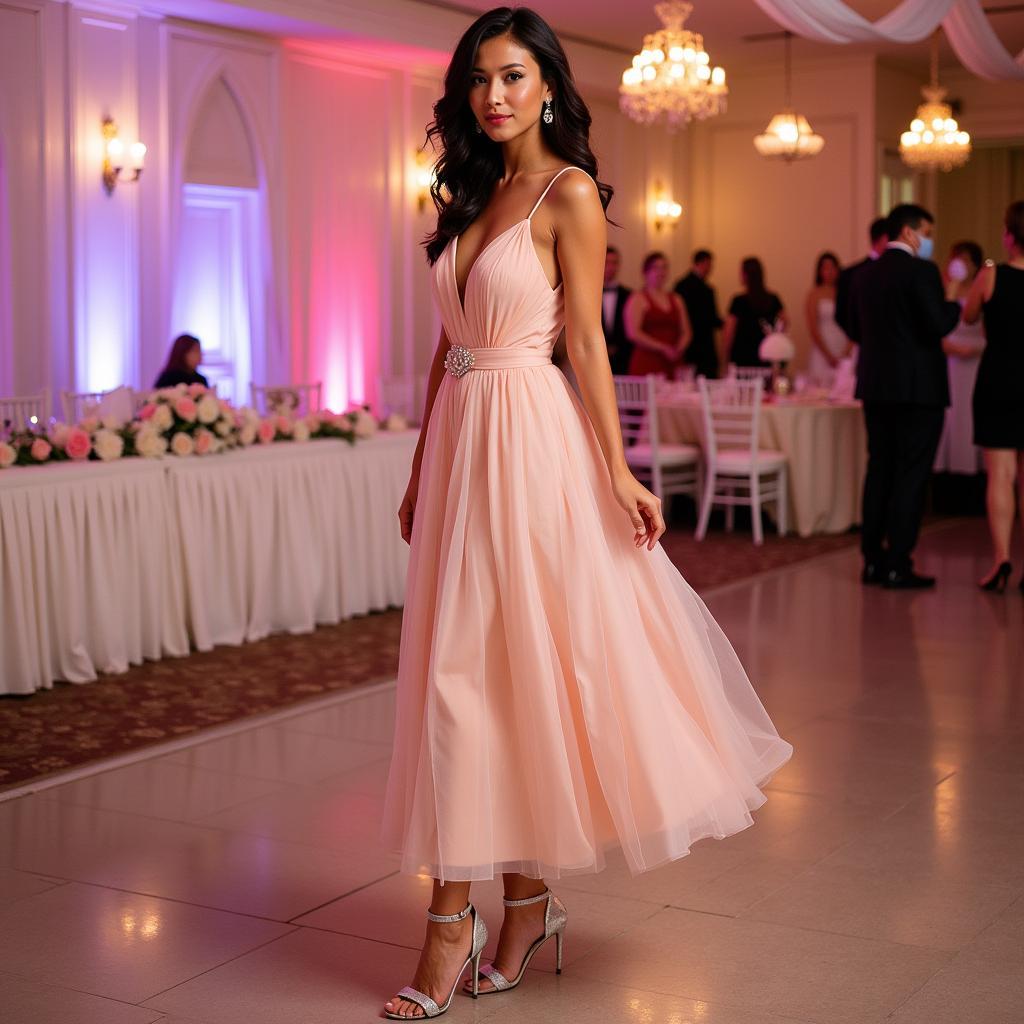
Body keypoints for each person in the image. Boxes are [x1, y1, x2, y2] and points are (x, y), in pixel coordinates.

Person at [381, 8, 793, 1019]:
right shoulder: (469, 189)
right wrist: (420, 462)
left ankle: (452, 922)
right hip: (463, 449)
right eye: (478, 79)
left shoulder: (565, 195)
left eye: (513, 76)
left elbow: (588, 348)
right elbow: (447, 348)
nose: (493, 96)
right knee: (467, 668)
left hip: (529, 444)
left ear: (549, 86)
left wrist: (616, 471)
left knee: (492, 672)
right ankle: (523, 903)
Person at [847, 203, 960, 589]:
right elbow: (938, 324)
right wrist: (954, 296)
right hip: (918, 391)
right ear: (911, 232)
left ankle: (872, 561)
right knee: (910, 475)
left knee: (879, 470)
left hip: (876, 386)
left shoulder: (864, 275)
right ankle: (899, 562)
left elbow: (857, 329)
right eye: (927, 231)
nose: (930, 239)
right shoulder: (922, 271)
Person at [962, 200, 1024, 593]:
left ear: (1009, 235)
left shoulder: (991, 276)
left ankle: (1002, 558)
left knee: (1000, 475)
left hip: (1000, 379)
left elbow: (967, 316)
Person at [934, 241, 985, 477]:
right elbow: (936, 328)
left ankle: (976, 470)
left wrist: (975, 350)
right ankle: (949, 472)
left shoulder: (983, 289)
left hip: (977, 361)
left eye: (966, 260)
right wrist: (950, 348)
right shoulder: (944, 290)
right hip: (950, 362)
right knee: (951, 416)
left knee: (975, 415)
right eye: (957, 259)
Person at [624, 251, 692, 379]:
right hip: (647, 360)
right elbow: (633, 333)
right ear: (645, 272)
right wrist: (662, 348)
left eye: (664, 267)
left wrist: (679, 348)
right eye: (656, 268)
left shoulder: (677, 299)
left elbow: (686, 331)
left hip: (673, 360)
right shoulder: (638, 298)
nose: (661, 272)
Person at [723, 257, 787, 368]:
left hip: (742, 355)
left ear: (745, 275)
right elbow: (785, 322)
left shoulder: (738, 301)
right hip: (765, 355)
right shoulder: (772, 299)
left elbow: (728, 333)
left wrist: (725, 359)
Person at [834, 217, 888, 338]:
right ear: (885, 239)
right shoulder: (851, 274)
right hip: (863, 345)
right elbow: (841, 314)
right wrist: (862, 337)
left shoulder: (899, 272)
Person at [674, 248, 723, 378]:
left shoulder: (682, 284)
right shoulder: (703, 289)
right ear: (702, 263)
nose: (710, 269)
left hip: (696, 345)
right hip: (697, 346)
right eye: (709, 265)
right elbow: (711, 318)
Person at [804, 251, 851, 384]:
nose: (829, 271)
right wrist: (828, 355)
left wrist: (847, 351)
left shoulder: (845, 293)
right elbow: (813, 327)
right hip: (823, 347)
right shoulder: (814, 294)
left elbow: (854, 323)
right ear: (819, 271)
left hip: (843, 343)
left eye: (832, 267)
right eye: (825, 268)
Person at [601, 245, 632, 374]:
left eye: (614, 263)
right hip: (597, 357)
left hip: (623, 359)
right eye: (606, 262)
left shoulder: (629, 295)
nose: (610, 267)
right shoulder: (588, 293)